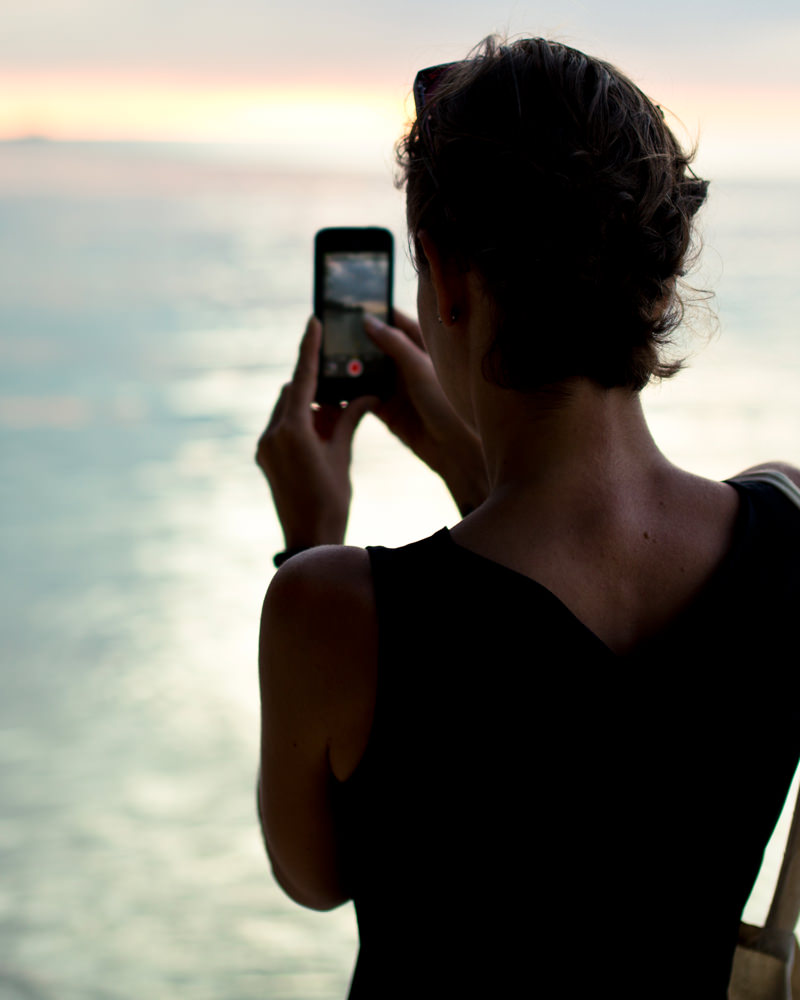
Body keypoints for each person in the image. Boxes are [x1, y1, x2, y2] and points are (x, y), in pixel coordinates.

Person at [254, 37, 800, 998]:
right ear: (658, 282)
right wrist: (475, 455)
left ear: (448, 284)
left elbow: (316, 876)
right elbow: (572, 675)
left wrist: (313, 533)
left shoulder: (332, 609)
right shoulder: (789, 540)